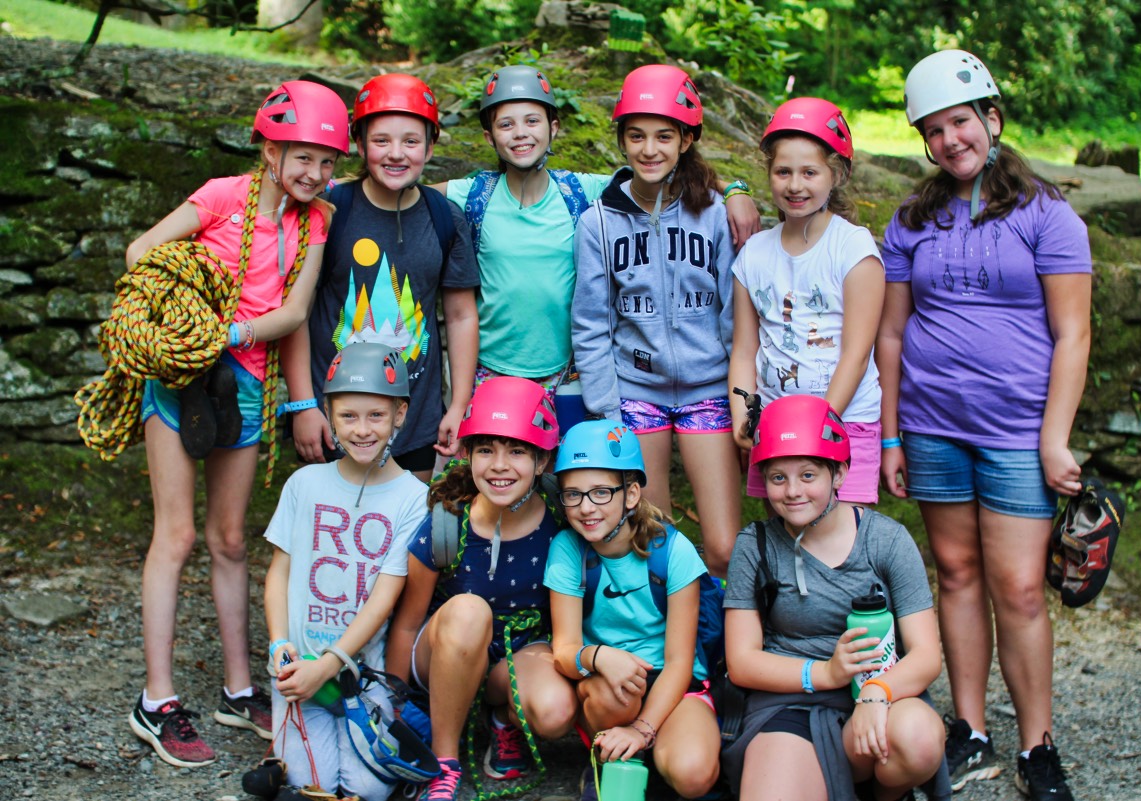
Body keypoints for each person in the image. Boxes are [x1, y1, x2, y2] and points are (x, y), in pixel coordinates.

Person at [876, 49, 1092, 801]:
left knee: (1021, 587)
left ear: (991, 120)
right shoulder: (911, 221)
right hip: (934, 426)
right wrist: (893, 434)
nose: (950, 140)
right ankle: (968, 730)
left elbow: (1074, 335)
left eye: (961, 122)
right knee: (959, 575)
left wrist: (1054, 436)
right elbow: (893, 336)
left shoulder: (1049, 215)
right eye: (933, 130)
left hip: (1016, 432)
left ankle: (1038, 743)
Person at [125, 80, 348, 768]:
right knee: (179, 532)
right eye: (300, 156)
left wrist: (230, 332)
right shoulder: (222, 195)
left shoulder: (316, 223)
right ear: (269, 148)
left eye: (325, 161)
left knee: (229, 536)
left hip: (246, 382)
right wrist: (190, 315)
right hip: (178, 379)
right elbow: (141, 253)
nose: (312, 172)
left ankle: (238, 686)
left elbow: (292, 315)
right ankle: (156, 699)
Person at [428, 65, 760, 431]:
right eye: (506, 124)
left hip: (566, 376)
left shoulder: (578, 192)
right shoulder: (475, 193)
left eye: (532, 121)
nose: (520, 133)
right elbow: (416, 190)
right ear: (489, 137)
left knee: (569, 478)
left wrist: (735, 190)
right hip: (491, 371)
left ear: (553, 129)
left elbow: (655, 175)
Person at [722, 395, 946, 801]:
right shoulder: (754, 547)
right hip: (790, 699)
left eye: (808, 475)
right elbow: (741, 663)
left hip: (879, 691)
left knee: (919, 738)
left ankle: (884, 792)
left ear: (839, 473)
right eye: (778, 478)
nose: (792, 492)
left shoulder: (887, 541)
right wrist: (826, 673)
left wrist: (877, 692)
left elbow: (927, 655)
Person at [571, 64, 743, 577]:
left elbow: (735, 313)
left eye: (664, 136)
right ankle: (672, 653)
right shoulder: (598, 222)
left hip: (707, 390)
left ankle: (725, 651)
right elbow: (590, 323)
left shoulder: (715, 213)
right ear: (621, 140)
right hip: (635, 393)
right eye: (637, 136)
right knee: (656, 545)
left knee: (723, 548)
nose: (650, 149)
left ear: (687, 139)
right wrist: (606, 409)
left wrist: (741, 395)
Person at [386, 377, 577, 801]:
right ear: (468, 454)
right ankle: (443, 761)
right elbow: (407, 624)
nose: (500, 465)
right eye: (486, 449)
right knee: (470, 611)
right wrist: (391, 705)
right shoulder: (446, 525)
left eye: (518, 451)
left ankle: (502, 717)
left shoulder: (560, 525)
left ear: (543, 460)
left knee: (554, 712)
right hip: (444, 648)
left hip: (515, 654)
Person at [288, 73, 480, 482]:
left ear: (430, 147)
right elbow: (296, 313)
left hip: (413, 422)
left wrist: (458, 404)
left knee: (404, 538)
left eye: (411, 141)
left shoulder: (444, 218)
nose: (396, 154)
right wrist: (302, 404)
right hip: (331, 416)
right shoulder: (328, 212)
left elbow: (461, 315)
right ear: (359, 145)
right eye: (381, 141)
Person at [265, 341, 427, 800]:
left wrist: (333, 663)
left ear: (399, 414)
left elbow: (385, 597)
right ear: (329, 413)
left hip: (362, 672)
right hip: (300, 669)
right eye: (348, 415)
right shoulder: (305, 484)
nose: (361, 430)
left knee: (366, 791)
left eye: (376, 415)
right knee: (307, 784)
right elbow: (279, 572)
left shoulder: (413, 499)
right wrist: (280, 642)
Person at [545, 420, 721, 800]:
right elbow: (563, 651)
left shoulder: (673, 551)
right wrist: (599, 656)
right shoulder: (567, 548)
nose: (585, 508)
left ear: (631, 493)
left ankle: (643, 752)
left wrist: (642, 729)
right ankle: (609, 763)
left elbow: (678, 663)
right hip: (607, 682)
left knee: (694, 775)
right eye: (572, 495)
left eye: (600, 493)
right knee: (618, 694)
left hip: (674, 683)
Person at [729, 97, 885, 505]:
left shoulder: (853, 248)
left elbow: (857, 351)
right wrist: (742, 415)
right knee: (784, 543)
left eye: (809, 172)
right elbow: (745, 349)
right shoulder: (754, 255)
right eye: (783, 172)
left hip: (844, 421)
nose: (795, 185)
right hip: (776, 424)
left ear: (835, 175)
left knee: (844, 544)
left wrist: (819, 423)